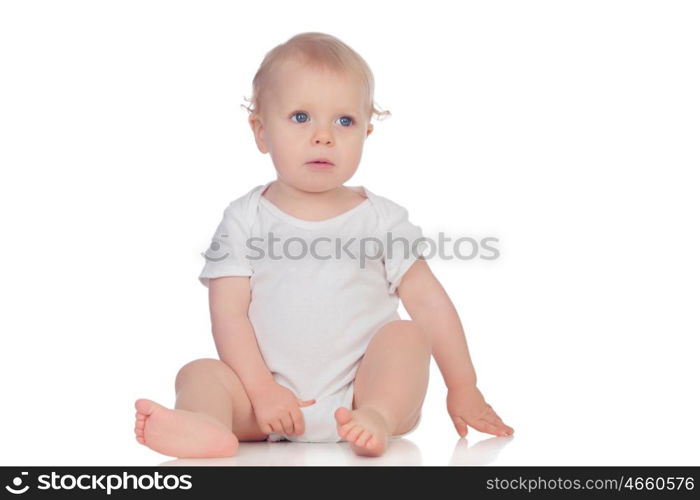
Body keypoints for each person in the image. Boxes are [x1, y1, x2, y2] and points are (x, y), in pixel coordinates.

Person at [134, 32, 513, 459]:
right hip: (266, 402)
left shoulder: (381, 219)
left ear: (367, 131)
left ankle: (377, 418)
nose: (323, 136)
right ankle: (206, 426)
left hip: (363, 394)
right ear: (261, 131)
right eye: (300, 117)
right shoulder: (244, 218)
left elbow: (431, 305)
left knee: (407, 335)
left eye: (345, 121)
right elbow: (228, 312)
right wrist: (261, 392)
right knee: (199, 373)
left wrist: (464, 387)